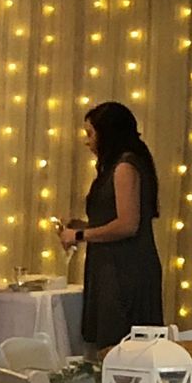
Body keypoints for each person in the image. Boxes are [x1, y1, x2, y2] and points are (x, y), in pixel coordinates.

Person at [59, 101, 164, 351]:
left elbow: (128, 225)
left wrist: (80, 234)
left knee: (120, 346)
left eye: (91, 134)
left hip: (124, 268)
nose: (88, 141)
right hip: (111, 265)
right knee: (111, 344)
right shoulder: (119, 165)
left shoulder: (125, 166)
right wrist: (85, 225)